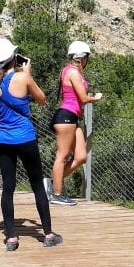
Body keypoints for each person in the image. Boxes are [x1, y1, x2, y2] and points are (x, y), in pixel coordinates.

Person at [0, 37, 61, 251]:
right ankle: (48, 234)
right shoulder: (22, 77)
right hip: (25, 138)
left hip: (4, 140)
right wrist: (28, 74)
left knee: (8, 188)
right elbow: (42, 99)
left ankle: (11, 238)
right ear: (12, 58)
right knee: (37, 185)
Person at [48, 41, 103, 206]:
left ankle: (52, 183)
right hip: (66, 116)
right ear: (82, 57)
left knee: (80, 157)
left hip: (71, 118)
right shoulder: (72, 72)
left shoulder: (71, 71)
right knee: (62, 156)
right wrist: (96, 98)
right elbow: (83, 98)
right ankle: (56, 194)